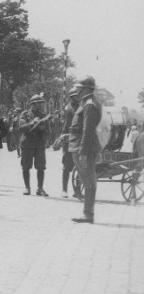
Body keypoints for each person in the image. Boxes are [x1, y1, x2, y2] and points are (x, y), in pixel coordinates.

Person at [67, 76, 102, 224]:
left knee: (88, 180)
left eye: (79, 88)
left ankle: (88, 214)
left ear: (86, 89)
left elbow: (87, 130)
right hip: (78, 144)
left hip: (82, 147)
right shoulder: (88, 102)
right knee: (87, 179)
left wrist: (82, 152)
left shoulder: (89, 104)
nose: (77, 91)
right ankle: (87, 213)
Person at [18, 94, 50, 196]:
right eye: (39, 103)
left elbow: (48, 131)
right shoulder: (25, 114)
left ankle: (40, 188)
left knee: (41, 167)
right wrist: (32, 123)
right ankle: (27, 188)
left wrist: (43, 129)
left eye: (41, 103)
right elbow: (21, 127)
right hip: (27, 143)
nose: (41, 105)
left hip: (39, 144)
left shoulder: (43, 115)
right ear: (33, 104)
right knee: (25, 167)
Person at [59, 87, 79, 198]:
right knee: (67, 166)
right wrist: (66, 138)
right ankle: (64, 190)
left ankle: (77, 190)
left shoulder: (81, 107)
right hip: (70, 139)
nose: (78, 97)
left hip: (79, 139)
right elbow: (66, 126)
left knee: (80, 166)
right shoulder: (68, 109)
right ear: (71, 97)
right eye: (76, 96)